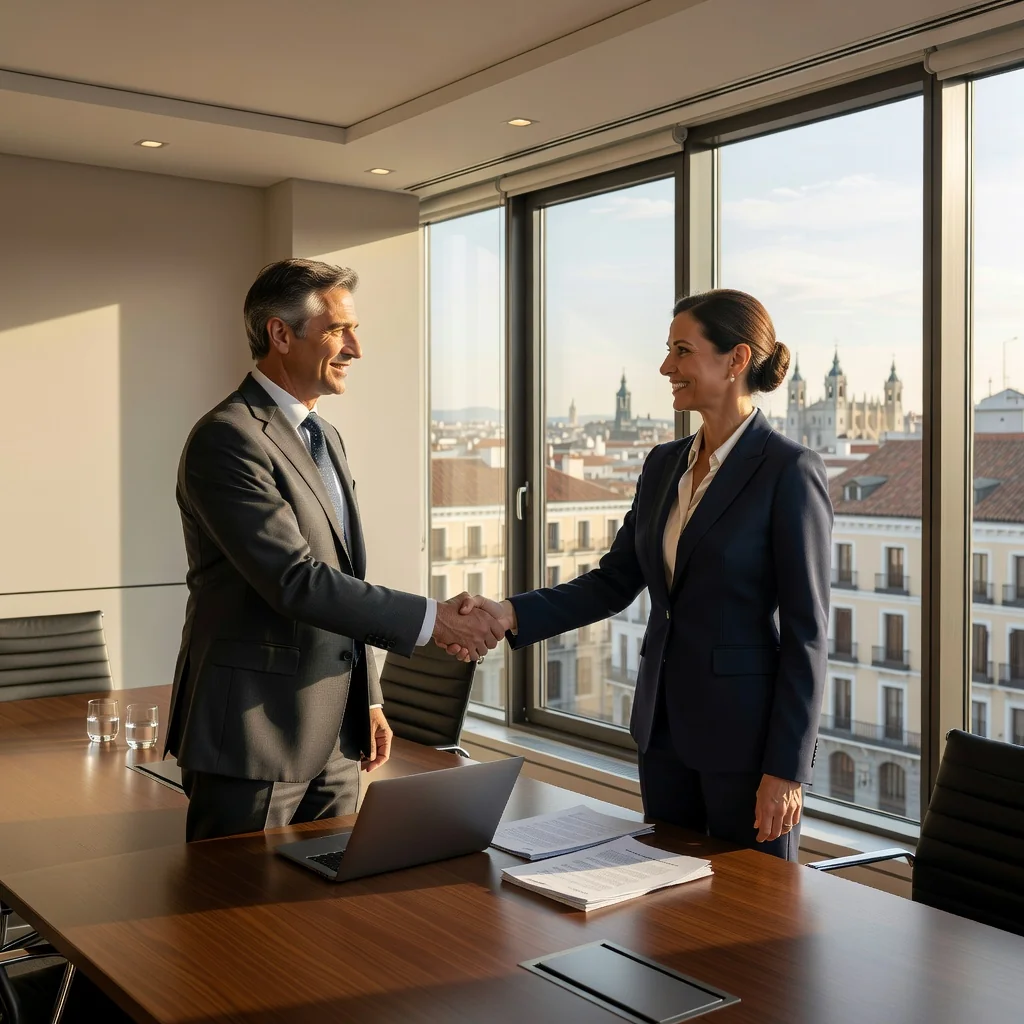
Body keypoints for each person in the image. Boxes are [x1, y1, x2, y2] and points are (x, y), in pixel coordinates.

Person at [454, 290, 832, 860]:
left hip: (745, 746)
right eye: (667, 350)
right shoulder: (662, 465)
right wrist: (510, 613)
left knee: (749, 926)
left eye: (682, 351)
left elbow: (809, 633)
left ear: (736, 361)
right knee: (665, 907)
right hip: (663, 735)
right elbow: (613, 581)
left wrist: (787, 768)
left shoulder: (788, 470)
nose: (666, 367)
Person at [167, 259, 503, 841]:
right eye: (337, 330)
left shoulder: (324, 437)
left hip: (338, 739)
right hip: (256, 734)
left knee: (327, 916)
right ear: (280, 333)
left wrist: (367, 696)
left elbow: (341, 576)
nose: (356, 348)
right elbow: (295, 580)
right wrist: (434, 619)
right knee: (231, 923)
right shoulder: (229, 438)